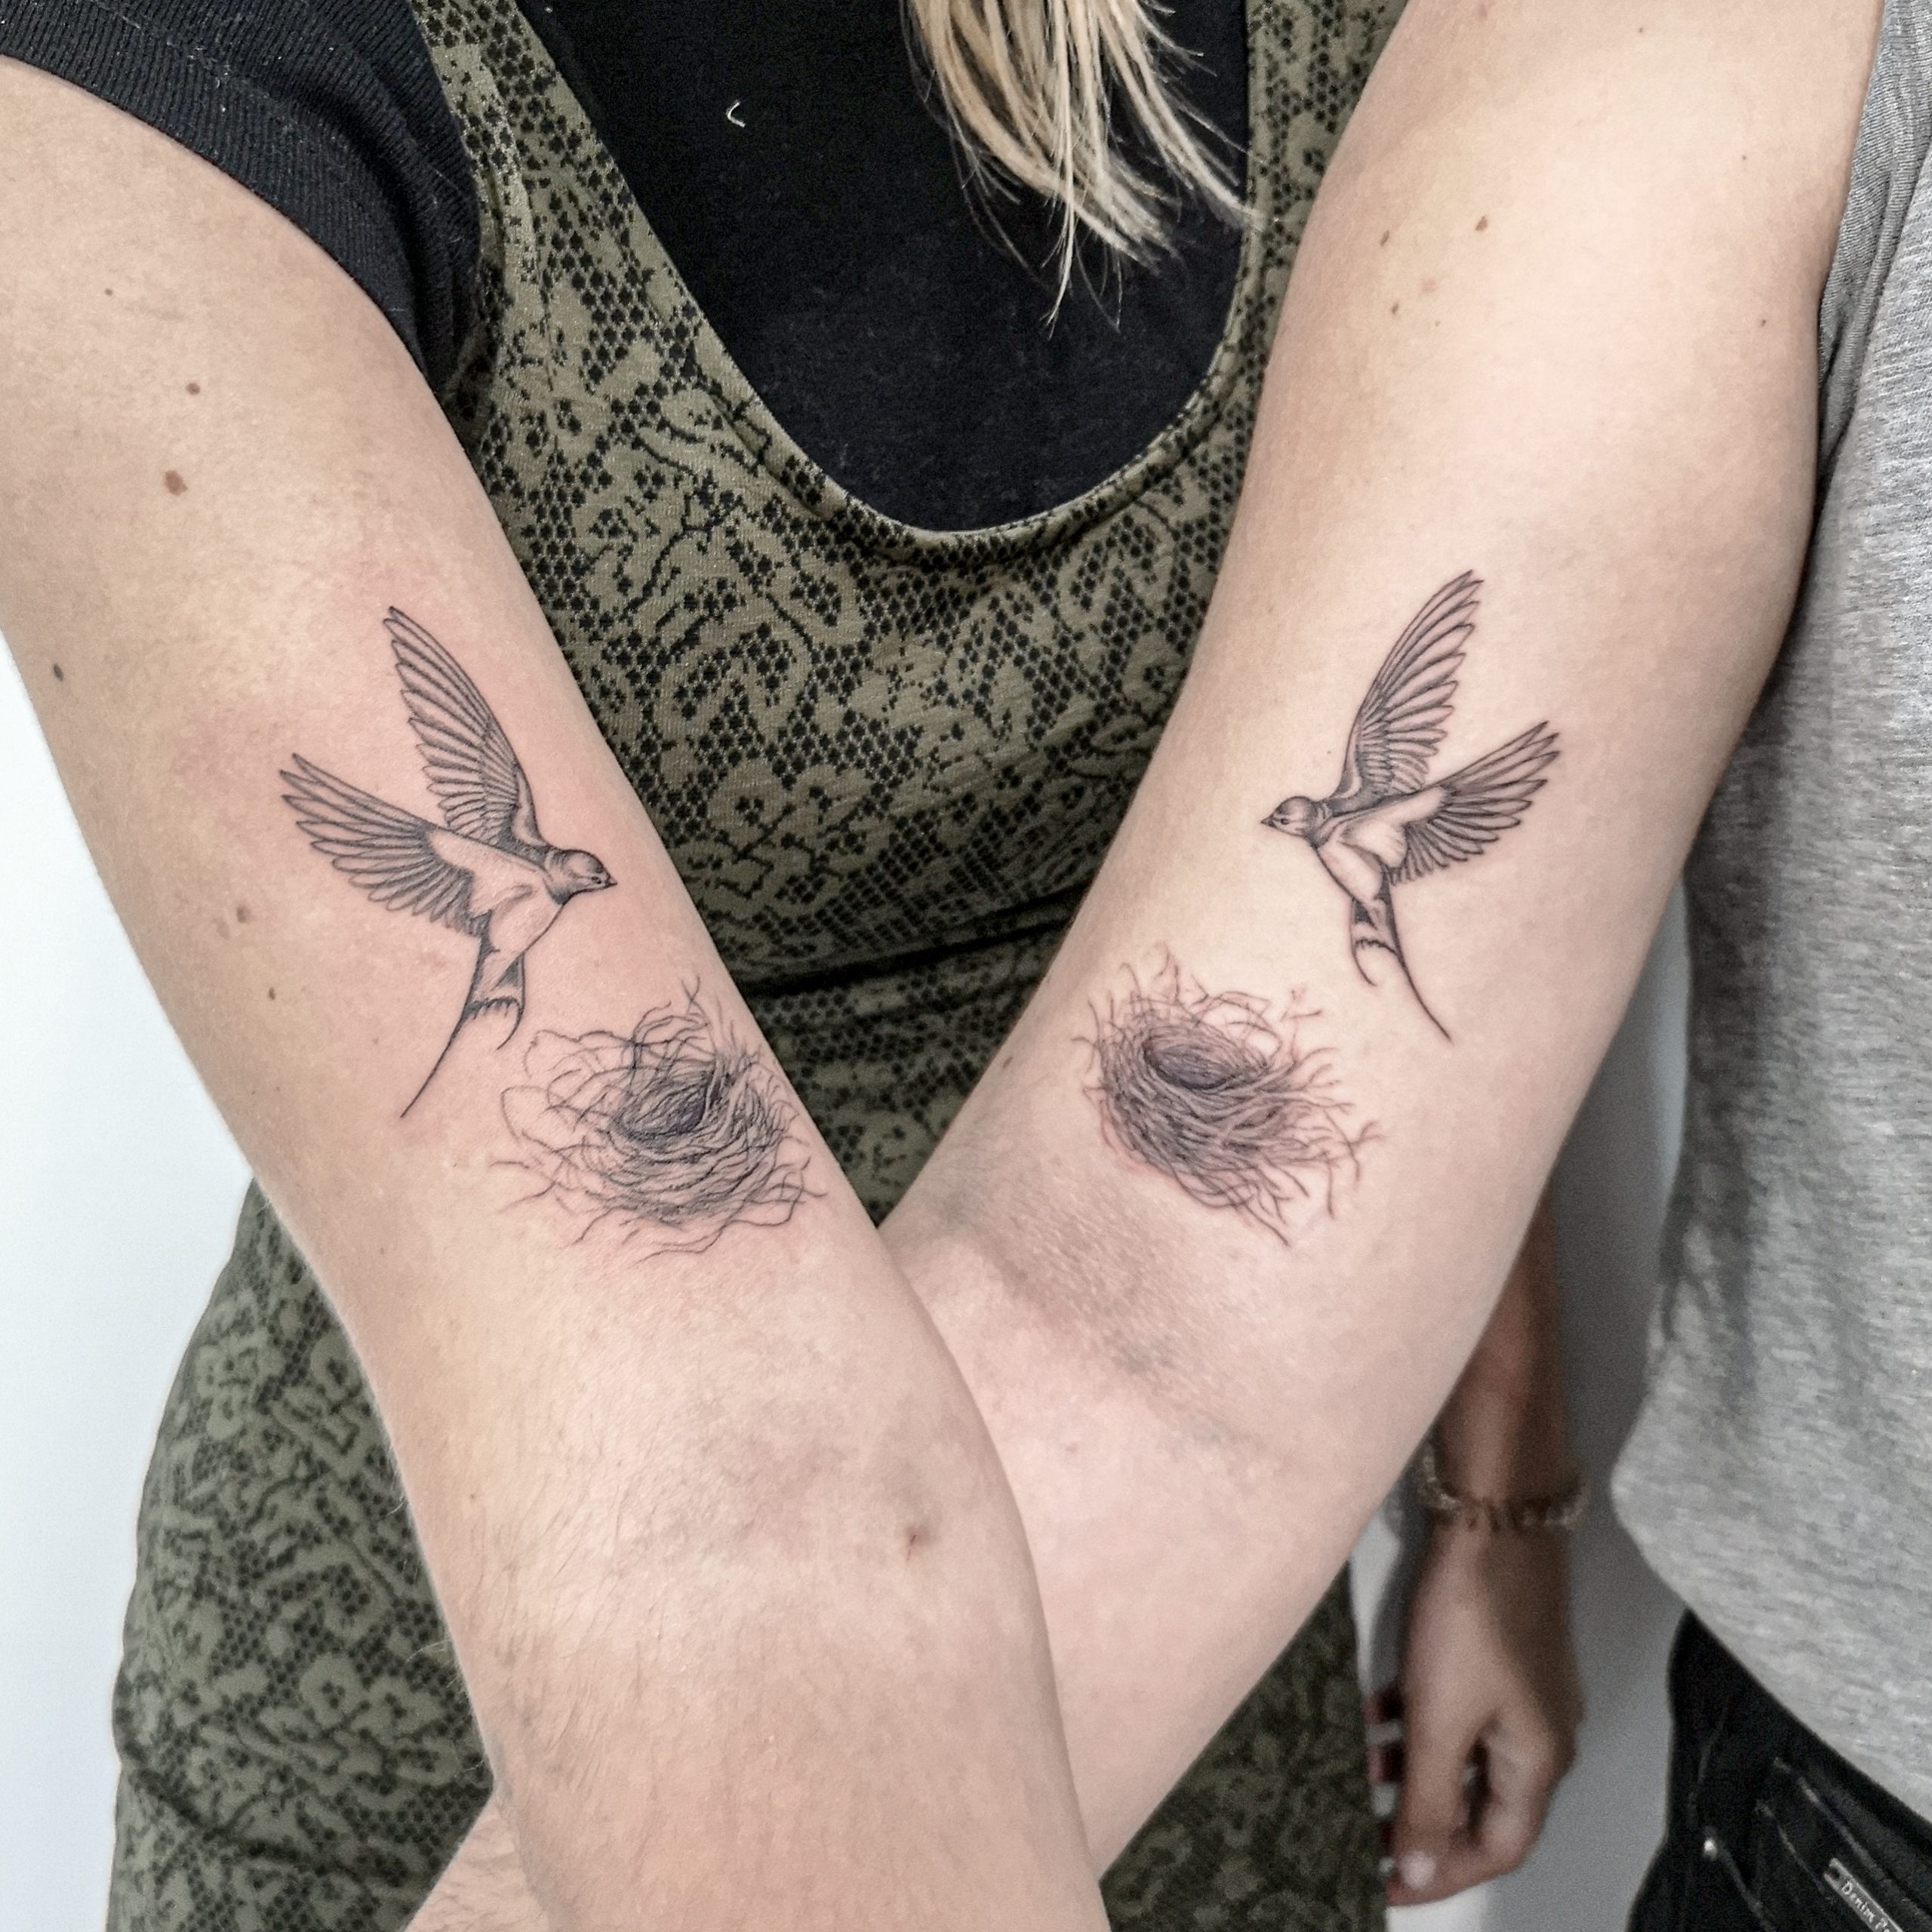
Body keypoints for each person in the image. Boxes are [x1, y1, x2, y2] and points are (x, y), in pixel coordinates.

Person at [0, 0, 1590, 1925]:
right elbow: (704, 1484)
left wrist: (1498, 1490)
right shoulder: (144, 78)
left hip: (1170, 1643)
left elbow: (1366, 962)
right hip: (480, 1718)